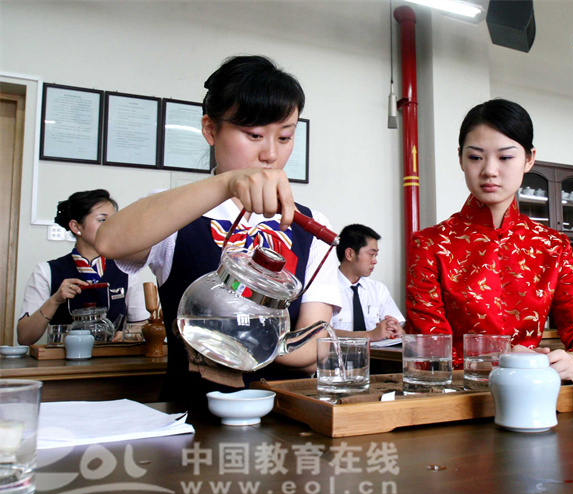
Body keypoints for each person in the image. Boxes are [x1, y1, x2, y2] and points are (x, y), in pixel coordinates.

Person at [96, 56, 340, 403]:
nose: (270, 154)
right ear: (211, 130)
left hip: (287, 413)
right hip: (193, 414)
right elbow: (108, 241)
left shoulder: (312, 225)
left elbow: (315, 345)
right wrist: (227, 184)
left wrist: (228, 338)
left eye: (285, 137)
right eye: (254, 135)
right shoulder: (178, 212)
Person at [406, 98, 573, 381]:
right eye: (475, 157)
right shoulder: (430, 244)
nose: (489, 170)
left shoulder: (553, 245)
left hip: (536, 392)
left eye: (505, 158)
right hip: (458, 397)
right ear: (460, 159)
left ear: (529, 159)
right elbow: (428, 352)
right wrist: (504, 358)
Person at [17, 189, 148, 345]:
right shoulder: (46, 271)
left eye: (114, 220)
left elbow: (143, 327)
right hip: (65, 359)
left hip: (114, 357)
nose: (112, 227)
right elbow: (24, 338)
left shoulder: (127, 269)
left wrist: (126, 335)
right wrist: (55, 300)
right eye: (102, 220)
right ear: (76, 226)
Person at [330, 224, 405, 341]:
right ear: (349, 254)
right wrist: (369, 335)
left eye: (376, 255)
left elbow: (399, 329)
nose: (375, 261)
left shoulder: (378, 289)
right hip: (337, 353)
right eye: (371, 254)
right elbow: (321, 333)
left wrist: (397, 331)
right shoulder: (325, 289)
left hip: (377, 353)